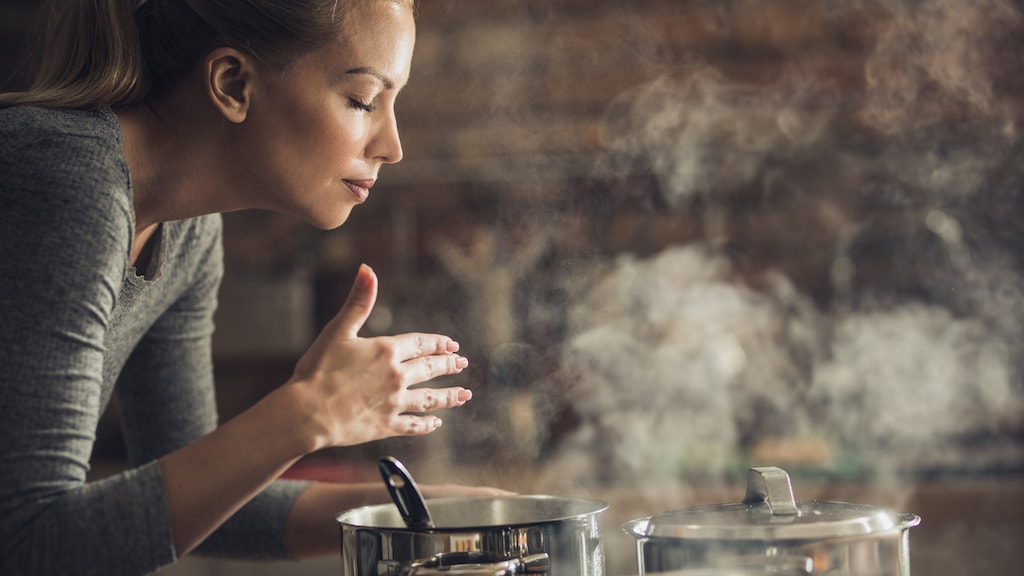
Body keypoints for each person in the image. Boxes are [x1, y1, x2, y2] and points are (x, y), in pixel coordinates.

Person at [0, 0, 507, 573]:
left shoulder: (187, 233)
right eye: (363, 100)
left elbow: (206, 498)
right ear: (233, 84)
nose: (392, 146)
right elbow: (27, 545)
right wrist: (309, 411)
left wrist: (459, 515)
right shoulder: (61, 181)